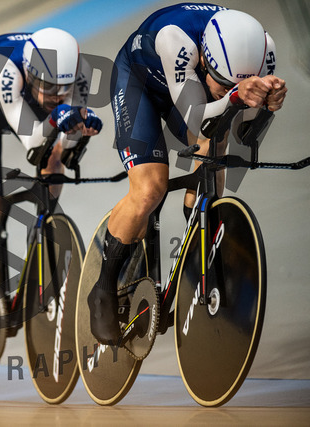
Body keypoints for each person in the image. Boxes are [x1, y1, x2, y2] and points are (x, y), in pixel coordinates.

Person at [87, 4, 287, 344]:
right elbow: (197, 116)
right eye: (221, 82)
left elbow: (243, 132)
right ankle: (103, 288)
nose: (226, 88)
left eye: (235, 84)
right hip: (139, 83)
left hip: (189, 88)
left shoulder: (262, 52)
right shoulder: (174, 38)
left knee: (215, 147)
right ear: (205, 60)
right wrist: (235, 96)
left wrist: (268, 104)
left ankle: (199, 243)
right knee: (150, 189)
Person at [0, 27, 103, 367]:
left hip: (31, 112)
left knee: (55, 161)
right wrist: (58, 117)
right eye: (47, 86)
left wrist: (80, 132)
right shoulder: (2, 68)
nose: (55, 94)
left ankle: (41, 229)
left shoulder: (77, 72)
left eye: (62, 88)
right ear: (29, 73)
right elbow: (34, 143)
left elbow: (63, 148)